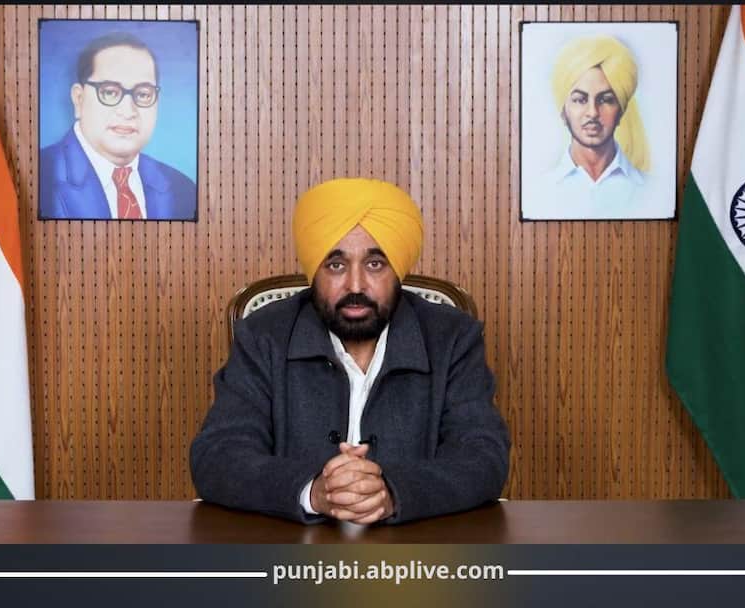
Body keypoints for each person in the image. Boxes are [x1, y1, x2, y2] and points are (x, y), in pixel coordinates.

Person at [190, 178, 511, 525]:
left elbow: (482, 457)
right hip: (291, 551)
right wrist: (313, 492)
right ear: (314, 272)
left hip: (416, 550)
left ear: (397, 270)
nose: (355, 285)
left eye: (375, 264)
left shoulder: (452, 337)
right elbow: (218, 456)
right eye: (336, 265)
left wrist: (392, 493)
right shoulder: (263, 335)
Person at [39, 32, 196, 220]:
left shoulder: (182, 189)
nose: (128, 111)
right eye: (110, 92)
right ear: (79, 99)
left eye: (143, 94)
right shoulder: (40, 177)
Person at [524, 34, 652, 220]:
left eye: (606, 100)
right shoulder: (539, 193)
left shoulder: (650, 189)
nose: (592, 112)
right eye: (580, 100)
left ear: (621, 110)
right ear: (563, 111)